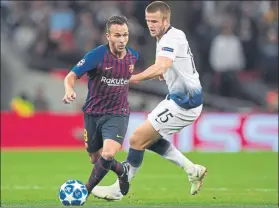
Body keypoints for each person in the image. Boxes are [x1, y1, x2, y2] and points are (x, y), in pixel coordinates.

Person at [91, 1, 207, 201]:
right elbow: (166, 67)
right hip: (177, 99)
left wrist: (132, 78)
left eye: (155, 21)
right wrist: (164, 73)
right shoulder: (163, 38)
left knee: (137, 138)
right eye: (148, 21)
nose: (151, 25)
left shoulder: (172, 37)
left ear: (166, 20)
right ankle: (192, 170)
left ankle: (119, 190)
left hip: (185, 104)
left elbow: (161, 66)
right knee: (146, 140)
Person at [62, 15, 140, 198]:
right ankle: (122, 171)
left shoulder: (132, 57)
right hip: (93, 113)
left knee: (108, 153)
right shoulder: (96, 55)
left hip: (118, 113)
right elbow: (71, 76)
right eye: (117, 35)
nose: (122, 40)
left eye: (125, 35)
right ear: (108, 36)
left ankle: (84, 192)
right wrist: (68, 90)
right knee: (95, 158)